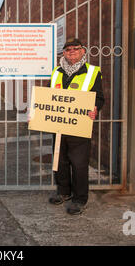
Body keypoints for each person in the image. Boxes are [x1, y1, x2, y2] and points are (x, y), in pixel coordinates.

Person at [48, 38, 105, 215]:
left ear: (83, 52)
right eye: (67, 49)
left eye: (75, 49)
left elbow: (99, 98)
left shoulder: (92, 72)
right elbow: (49, 97)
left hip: (79, 126)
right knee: (60, 161)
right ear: (63, 53)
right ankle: (64, 192)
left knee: (79, 164)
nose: (71, 51)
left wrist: (95, 108)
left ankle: (80, 199)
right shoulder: (56, 72)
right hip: (58, 125)